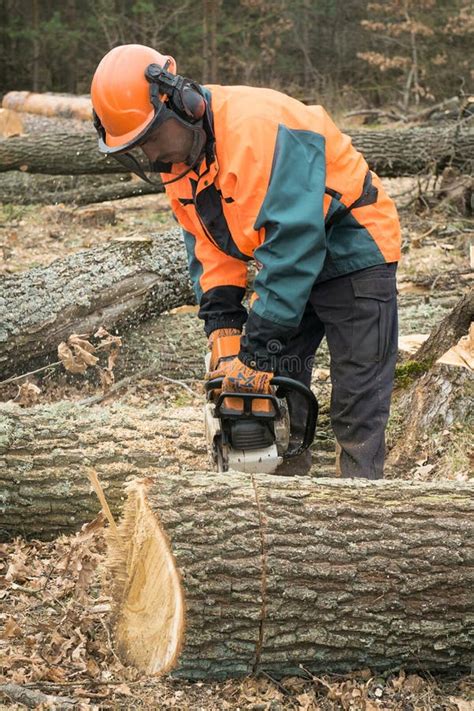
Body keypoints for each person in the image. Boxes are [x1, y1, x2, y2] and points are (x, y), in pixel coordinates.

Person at [91, 44, 401, 479]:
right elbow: (209, 245)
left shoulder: (256, 130)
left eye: (152, 140)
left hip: (354, 247)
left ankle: (363, 510)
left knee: (357, 399)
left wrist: (255, 353)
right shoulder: (182, 162)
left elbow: (294, 244)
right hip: (288, 265)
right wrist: (224, 328)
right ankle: (279, 507)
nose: (152, 157)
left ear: (181, 104)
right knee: (281, 389)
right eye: (139, 148)